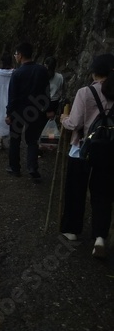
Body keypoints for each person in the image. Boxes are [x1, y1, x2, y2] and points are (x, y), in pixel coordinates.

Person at [60, 53, 114, 258]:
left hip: (82, 149)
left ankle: (72, 230)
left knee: (76, 190)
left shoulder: (85, 92)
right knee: (103, 195)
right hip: (109, 152)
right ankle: (100, 237)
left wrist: (64, 118)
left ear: (93, 72)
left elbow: (75, 123)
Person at [5, 42, 54, 181]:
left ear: (20, 55)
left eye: (16, 54)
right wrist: (48, 109)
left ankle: (14, 168)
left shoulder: (17, 73)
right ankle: (32, 168)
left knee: (15, 139)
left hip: (18, 111)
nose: (15, 56)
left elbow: (12, 96)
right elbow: (47, 92)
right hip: (36, 110)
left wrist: (9, 113)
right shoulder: (42, 70)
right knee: (32, 140)